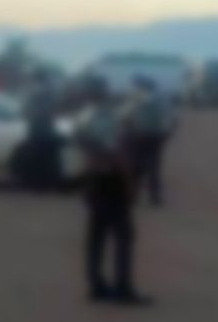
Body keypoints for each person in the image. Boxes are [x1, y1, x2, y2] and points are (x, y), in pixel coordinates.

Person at [74, 77, 149, 305]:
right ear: (104, 93)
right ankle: (122, 288)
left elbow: (80, 149)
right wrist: (130, 185)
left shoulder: (83, 116)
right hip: (111, 180)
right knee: (124, 236)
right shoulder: (109, 118)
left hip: (92, 178)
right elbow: (118, 155)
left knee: (96, 236)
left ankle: (96, 284)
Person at [124, 76, 177, 206]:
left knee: (136, 167)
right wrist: (168, 133)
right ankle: (155, 197)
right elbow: (172, 117)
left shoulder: (136, 98)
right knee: (154, 167)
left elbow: (125, 115)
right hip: (157, 136)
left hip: (139, 135)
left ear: (142, 86)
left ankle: (132, 196)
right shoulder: (163, 98)